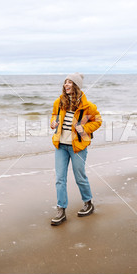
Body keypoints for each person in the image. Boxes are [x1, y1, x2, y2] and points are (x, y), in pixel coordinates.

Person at [49, 73, 102, 226]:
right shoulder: (59, 102)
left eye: (70, 82)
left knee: (80, 176)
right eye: (65, 82)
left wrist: (83, 128)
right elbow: (54, 116)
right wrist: (53, 122)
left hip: (77, 147)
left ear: (76, 85)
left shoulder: (87, 106)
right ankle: (61, 210)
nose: (66, 85)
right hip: (61, 145)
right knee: (60, 179)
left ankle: (88, 203)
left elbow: (98, 121)